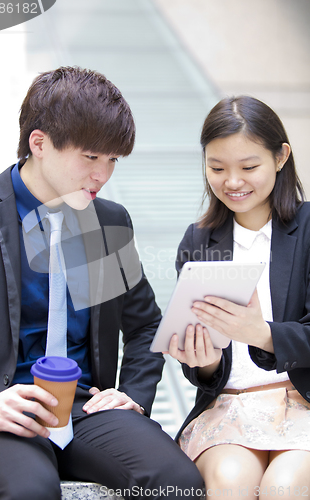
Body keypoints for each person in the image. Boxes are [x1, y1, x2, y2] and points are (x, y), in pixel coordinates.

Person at [0, 66, 203, 500]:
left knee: (179, 484)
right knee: (30, 491)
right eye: (90, 157)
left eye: (112, 160)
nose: (103, 175)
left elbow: (145, 326)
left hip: (86, 406)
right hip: (4, 406)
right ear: (39, 144)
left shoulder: (104, 221)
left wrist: (133, 395)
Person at [168, 96, 310, 498]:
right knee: (231, 484)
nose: (232, 181)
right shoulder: (198, 241)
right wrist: (203, 358)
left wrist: (261, 334)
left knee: (284, 487)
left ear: (281, 157)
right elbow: (205, 373)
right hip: (229, 408)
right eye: (217, 168)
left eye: (249, 167)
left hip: (303, 402)